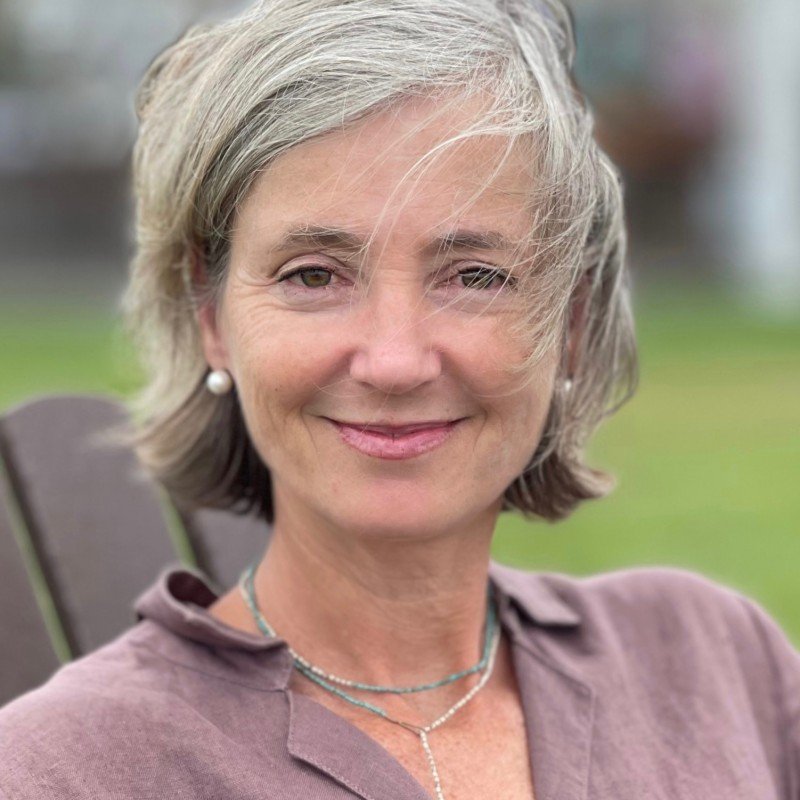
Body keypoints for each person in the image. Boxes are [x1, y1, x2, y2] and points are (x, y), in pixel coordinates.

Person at [1, 0, 798, 798]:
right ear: (210, 317)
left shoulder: (716, 662)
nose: (394, 361)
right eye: (314, 275)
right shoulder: (64, 771)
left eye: (475, 276)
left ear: (571, 324)